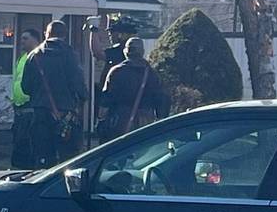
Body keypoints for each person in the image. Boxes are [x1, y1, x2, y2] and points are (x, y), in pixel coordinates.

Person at [21, 20, 87, 167]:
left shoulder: (34, 56)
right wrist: (81, 100)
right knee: (68, 157)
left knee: (43, 154)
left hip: (41, 112)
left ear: (46, 34)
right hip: (66, 113)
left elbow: (26, 86)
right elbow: (79, 85)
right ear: (64, 35)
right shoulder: (71, 55)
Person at [99, 37, 167, 141]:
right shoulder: (152, 74)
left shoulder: (116, 72)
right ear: (142, 52)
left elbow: (106, 100)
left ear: (126, 52)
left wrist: (102, 119)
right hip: (145, 122)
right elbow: (161, 100)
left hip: (120, 121)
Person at [10, 28, 42, 169]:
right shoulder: (22, 58)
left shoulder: (39, 57)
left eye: (25, 38)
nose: (22, 41)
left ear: (35, 40)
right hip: (19, 106)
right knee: (19, 141)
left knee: (28, 141)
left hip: (31, 106)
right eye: (21, 38)